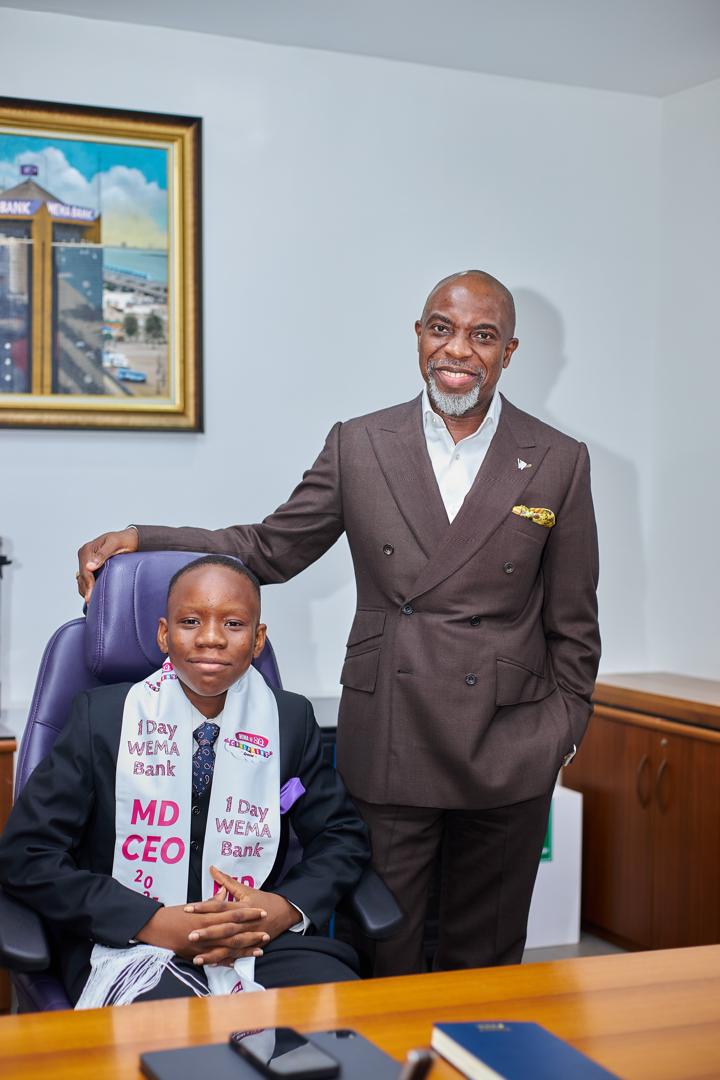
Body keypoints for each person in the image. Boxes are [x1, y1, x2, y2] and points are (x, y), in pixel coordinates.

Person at [76, 270, 601, 976]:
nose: (458, 349)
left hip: (508, 742)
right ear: (419, 336)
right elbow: (270, 547)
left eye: (482, 336)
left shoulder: (558, 459)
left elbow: (575, 623)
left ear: (508, 351)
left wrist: (557, 736)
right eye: (441, 328)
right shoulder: (360, 444)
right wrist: (145, 537)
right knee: (383, 950)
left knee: (487, 958)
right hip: (392, 734)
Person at [0, 556, 369, 1006]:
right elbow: (28, 854)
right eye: (191, 621)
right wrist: (149, 921)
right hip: (129, 944)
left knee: (342, 1018)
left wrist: (283, 908)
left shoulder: (288, 720)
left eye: (233, 624)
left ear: (257, 640)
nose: (211, 637)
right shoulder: (103, 718)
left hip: (257, 940)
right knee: (178, 1034)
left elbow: (341, 837)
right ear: (164, 634)